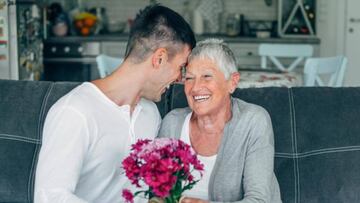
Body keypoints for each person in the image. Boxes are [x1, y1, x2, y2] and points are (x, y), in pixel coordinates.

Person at [35, 4, 196, 203]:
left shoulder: (150, 113)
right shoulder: (75, 111)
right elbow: (49, 197)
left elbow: (146, 192)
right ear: (159, 58)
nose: (180, 78)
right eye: (181, 67)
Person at [158, 39, 282, 203]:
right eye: (189, 78)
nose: (195, 87)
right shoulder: (172, 123)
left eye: (207, 76)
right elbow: (157, 192)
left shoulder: (253, 121)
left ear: (232, 82)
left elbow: (259, 200)